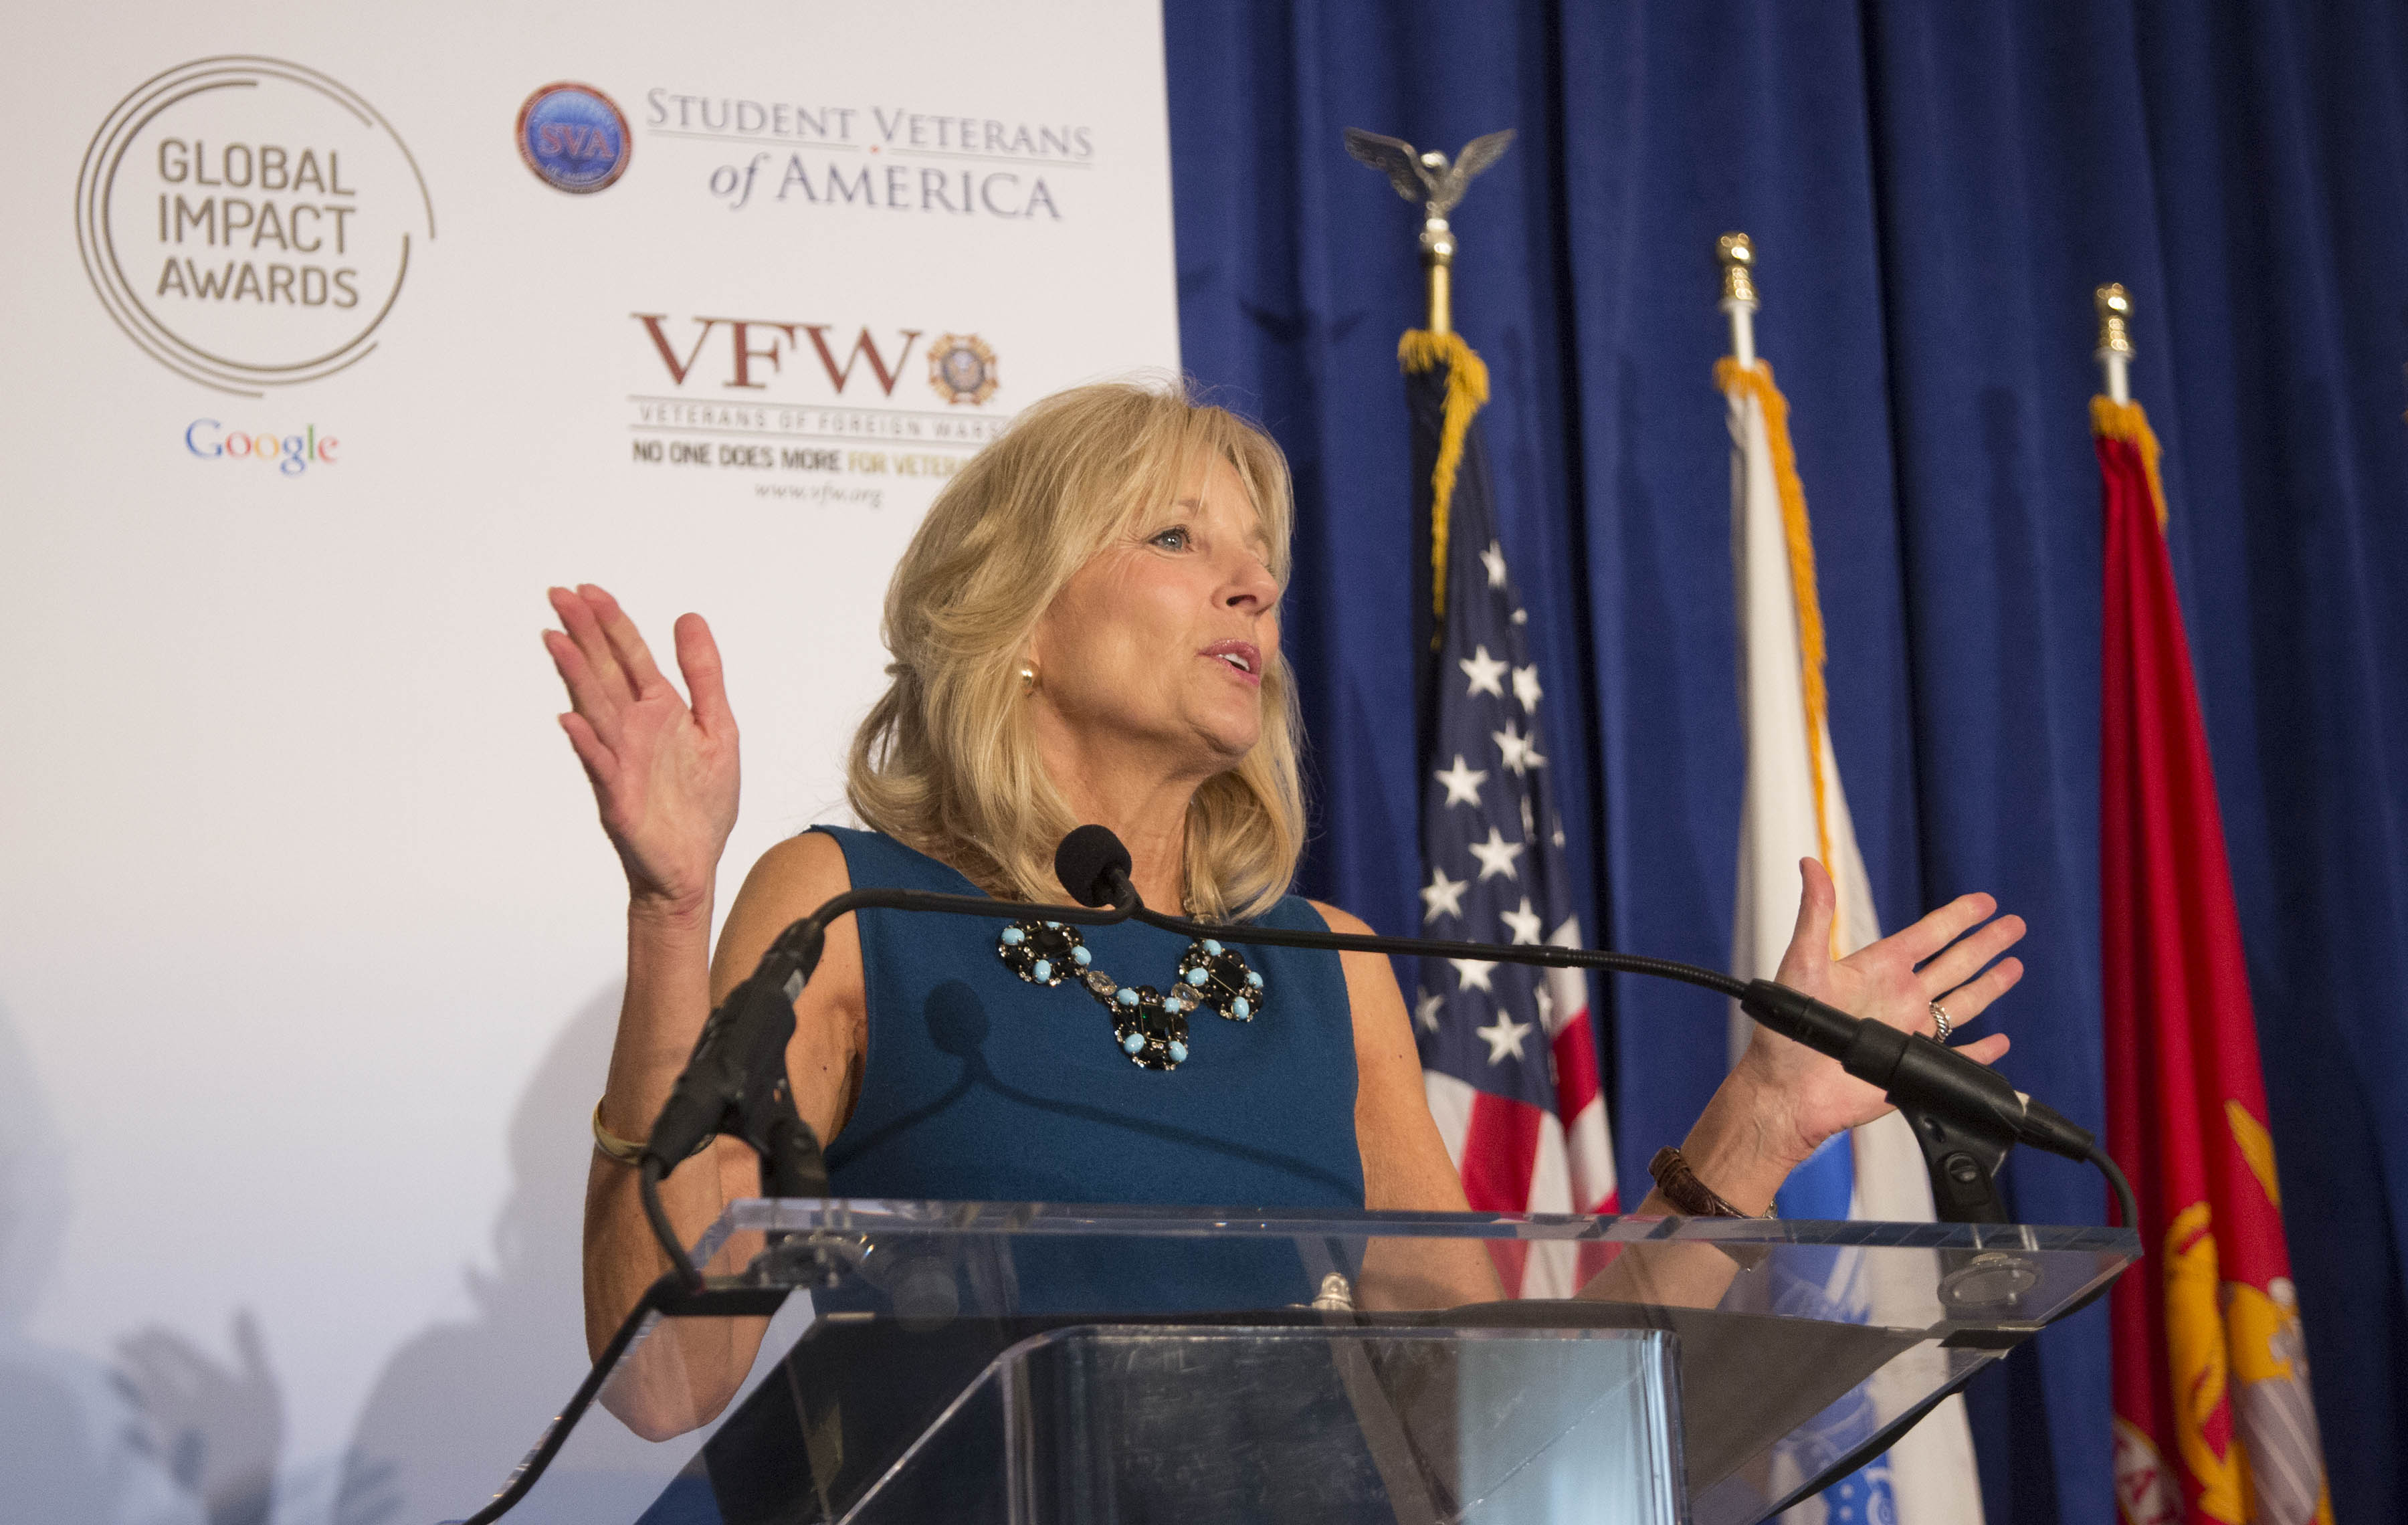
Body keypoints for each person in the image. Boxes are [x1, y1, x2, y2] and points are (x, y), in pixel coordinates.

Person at [545, 381, 2023, 1440]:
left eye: (1263, 562)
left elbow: (1496, 1419)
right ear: (1018, 625)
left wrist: (1758, 1117)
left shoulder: (1333, 969)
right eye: (1181, 543)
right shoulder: (853, 906)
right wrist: (673, 910)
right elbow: (666, 1384)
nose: (1253, 586)